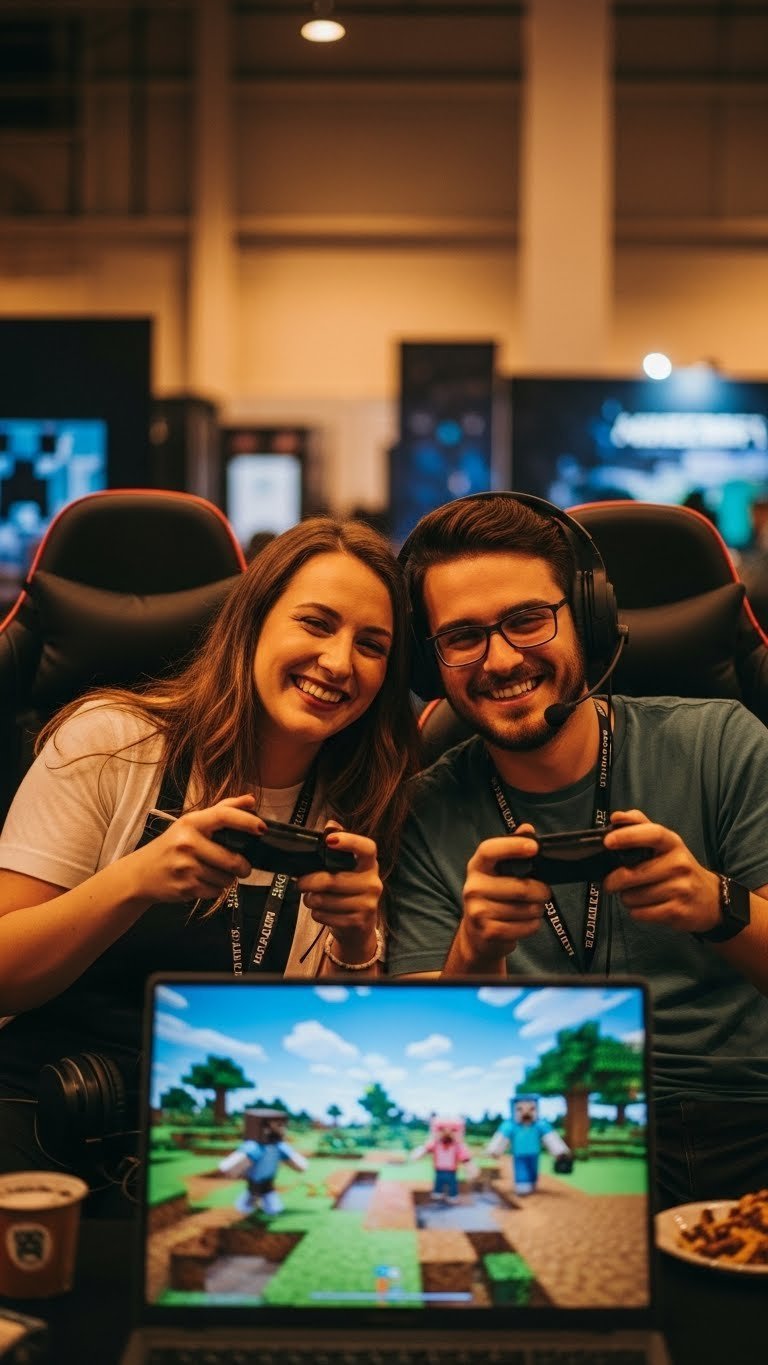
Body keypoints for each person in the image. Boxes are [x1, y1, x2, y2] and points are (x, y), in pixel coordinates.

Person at [0, 516, 420, 1198]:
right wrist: (134, 880)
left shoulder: (368, 803)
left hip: (220, 1147)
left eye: (371, 645)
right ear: (250, 624)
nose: (340, 662)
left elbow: (343, 1058)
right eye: (316, 623)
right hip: (40, 1118)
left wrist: (353, 939)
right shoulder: (110, 744)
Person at [387, 491, 768, 1210]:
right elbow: (431, 1064)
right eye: (462, 637)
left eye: (528, 620)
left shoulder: (723, 742)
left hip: (748, 1109)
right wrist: (475, 950)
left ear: (586, 618)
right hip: (566, 1141)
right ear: (429, 660)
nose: (500, 660)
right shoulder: (423, 811)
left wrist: (716, 904)